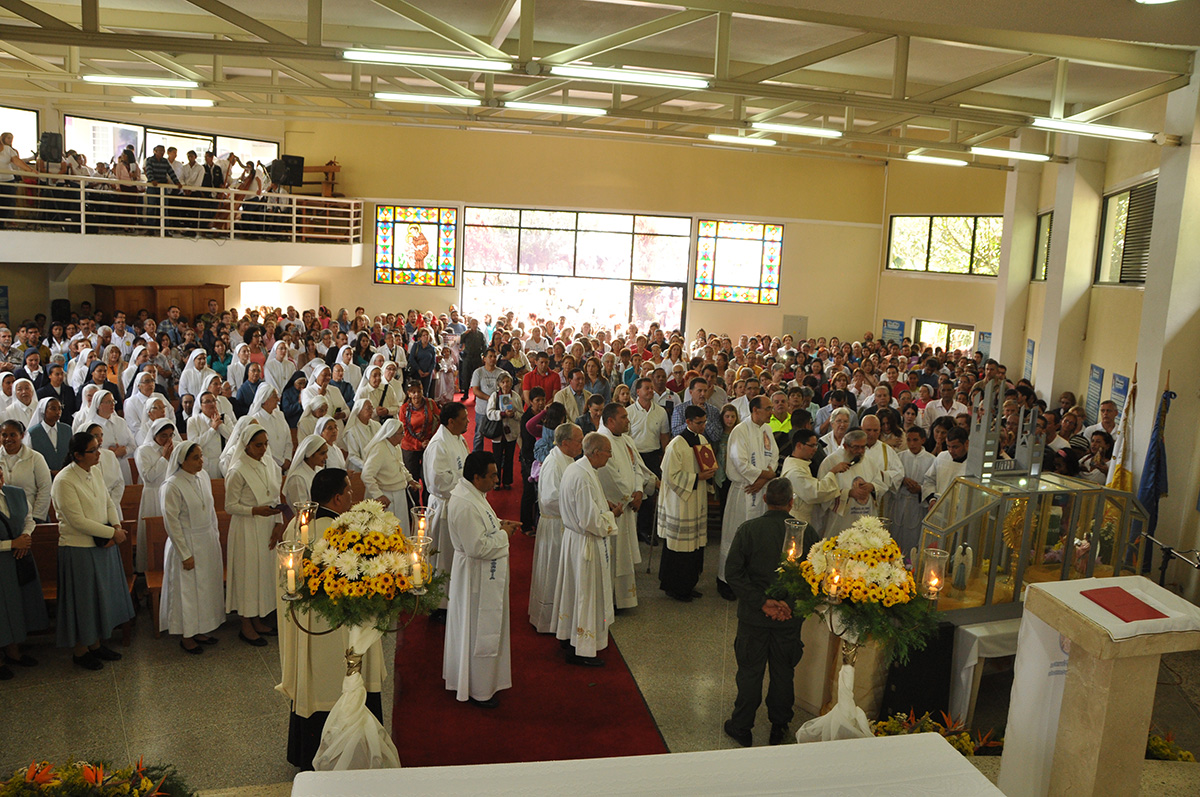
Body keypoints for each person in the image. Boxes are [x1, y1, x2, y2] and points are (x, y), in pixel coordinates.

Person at [277, 467, 386, 770]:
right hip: (346, 631)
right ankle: (356, 752)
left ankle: (308, 753)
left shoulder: (296, 529)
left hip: (311, 630)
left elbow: (286, 577)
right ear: (338, 497)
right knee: (348, 681)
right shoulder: (349, 534)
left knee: (317, 685)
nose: (354, 494)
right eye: (350, 489)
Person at [723, 478, 815, 747]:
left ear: (764, 499)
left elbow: (733, 573)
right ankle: (779, 726)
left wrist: (762, 602)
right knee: (783, 672)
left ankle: (741, 726)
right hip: (789, 619)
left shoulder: (749, 529)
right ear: (791, 502)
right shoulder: (807, 533)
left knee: (750, 672)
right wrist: (787, 604)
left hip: (754, 617)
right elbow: (815, 577)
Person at [52, 432, 135, 670]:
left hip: (103, 544)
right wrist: (112, 534)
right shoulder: (65, 480)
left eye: (98, 448)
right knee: (84, 602)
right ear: (78, 455)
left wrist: (116, 525)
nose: (99, 453)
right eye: (93, 450)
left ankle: (96, 644)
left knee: (101, 599)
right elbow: (76, 520)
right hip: (79, 549)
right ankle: (81, 650)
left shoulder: (95, 471)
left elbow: (108, 501)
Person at [444, 451, 519, 708]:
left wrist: (500, 523)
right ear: (476, 478)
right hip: (474, 577)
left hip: (481, 573)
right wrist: (504, 535)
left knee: (480, 627)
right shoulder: (464, 502)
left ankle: (485, 681)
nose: (497, 480)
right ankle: (476, 687)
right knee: (476, 629)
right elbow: (476, 547)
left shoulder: (474, 494)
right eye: (492, 475)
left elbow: (484, 522)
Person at [553, 432, 619, 666]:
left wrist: (603, 505)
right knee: (585, 595)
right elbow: (590, 521)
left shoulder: (578, 468)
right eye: (609, 452)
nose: (610, 457)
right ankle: (582, 648)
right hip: (585, 544)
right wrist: (612, 515)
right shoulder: (582, 475)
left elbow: (588, 505)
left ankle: (569, 637)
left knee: (574, 592)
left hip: (575, 541)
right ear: (596, 452)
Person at [159, 440, 225, 654]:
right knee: (188, 591)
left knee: (205, 589)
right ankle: (187, 636)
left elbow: (211, 509)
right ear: (182, 460)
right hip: (186, 543)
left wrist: (214, 535)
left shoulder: (203, 477)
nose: (201, 461)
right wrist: (184, 554)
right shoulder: (172, 485)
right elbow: (172, 523)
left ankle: (201, 629)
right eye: (195, 458)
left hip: (205, 541)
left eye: (201, 456)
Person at [225, 425, 284, 646]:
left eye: (265, 444)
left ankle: (259, 619)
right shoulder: (237, 469)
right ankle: (246, 625)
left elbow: (275, 494)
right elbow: (229, 505)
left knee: (263, 575)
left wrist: (277, 522)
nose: (263, 449)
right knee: (248, 575)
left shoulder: (268, 463)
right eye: (258, 445)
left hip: (266, 525)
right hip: (246, 528)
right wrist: (254, 510)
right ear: (247, 445)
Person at [597, 402, 656, 610]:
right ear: (611, 420)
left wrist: (639, 491)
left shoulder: (626, 440)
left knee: (624, 556)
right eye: (623, 417)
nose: (628, 420)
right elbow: (609, 477)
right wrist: (630, 497)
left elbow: (637, 468)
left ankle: (624, 598)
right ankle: (610, 600)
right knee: (614, 555)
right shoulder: (601, 442)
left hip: (629, 505)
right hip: (615, 509)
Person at [718, 396, 778, 600]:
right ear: (755, 410)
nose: (772, 411)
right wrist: (762, 476)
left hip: (760, 489)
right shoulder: (740, 430)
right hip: (743, 491)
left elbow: (774, 457)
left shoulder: (766, 430)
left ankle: (752, 579)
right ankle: (727, 581)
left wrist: (763, 479)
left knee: (756, 539)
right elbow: (739, 462)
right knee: (736, 535)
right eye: (768, 408)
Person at [656, 405, 717, 602]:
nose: (703, 426)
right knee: (679, 547)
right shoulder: (676, 444)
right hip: (680, 501)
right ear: (688, 422)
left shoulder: (702, 440)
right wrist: (697, 477)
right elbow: (670, 475)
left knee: (694, 548)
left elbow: (707, 462)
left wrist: (709, 473)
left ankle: (689, 584)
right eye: (699, 423)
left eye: (704, 422)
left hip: (696, 498)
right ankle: (675, 587)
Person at [529, 422, 581, 633]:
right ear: (566, 442)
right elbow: (550, 498)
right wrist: (578, 505)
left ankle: (562, 618)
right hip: (555, 525)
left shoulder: (567, 459)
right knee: (553, 571)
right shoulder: (553, 463)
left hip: (563, 523)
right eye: (579, 440)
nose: (582, 444)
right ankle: (549, 620)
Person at [422, 401, 470, 620]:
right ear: (451, 422)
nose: (468, 421)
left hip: (457, 503)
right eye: (464, 418)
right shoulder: (439, 444)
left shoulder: (457, 439)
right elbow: (438, 481)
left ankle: (452, 599)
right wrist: (466, 481)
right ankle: (438, 605)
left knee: (452, 556)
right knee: (441, 558)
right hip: (444, 506)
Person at [0, 467, 48, 678]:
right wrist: (12, 543)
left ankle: (14, 651)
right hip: (3, 560)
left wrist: (25, 538)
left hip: (20, 559)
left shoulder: (16, 493)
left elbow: (28, 519)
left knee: (18, 605)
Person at [779, 428, 846, 530]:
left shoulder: (800, 464)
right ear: (799, 446)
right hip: (797, 520)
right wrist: (833, 472)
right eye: (812, 445)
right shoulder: (795, 472)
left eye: (816, 445)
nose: (815, 449)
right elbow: (816, 493)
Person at [359, 418, 417, 532]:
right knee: (388, 532)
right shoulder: (379, 449)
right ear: (391, 434)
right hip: (386, 495)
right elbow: (366, 475)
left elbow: (400, 465)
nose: (403, 436)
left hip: (399, 494)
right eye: (401, 433)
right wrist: (378, 495)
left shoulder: (395, 446)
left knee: (401, 528)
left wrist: (410, 479)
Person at [133, 418, 175, 572]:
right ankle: (149, 570)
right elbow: (148, 476)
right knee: (152, 534)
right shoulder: (143, 450)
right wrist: (164, 457)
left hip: (169, 493)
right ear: (154, 435)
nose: (168, 439)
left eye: (171, 435)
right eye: (164, 435)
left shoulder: (174, 448)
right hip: (152, 494)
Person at [0, 419, 52, 523]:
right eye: (4, 435)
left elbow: (45, 488)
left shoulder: (35, 458)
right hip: (3, 519)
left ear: (22, 435)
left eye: (12, 435)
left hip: (30, 516)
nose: (8, 439)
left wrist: (36, 517)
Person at [893, 426, 935, 555]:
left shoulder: (932, 459)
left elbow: (933, 483)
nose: (912, 444)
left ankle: (912, 564)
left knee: (915, 535)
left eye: (915, 440)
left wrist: (920, 489)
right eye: (909, 440)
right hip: (900, 501)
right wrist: (903, 479)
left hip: (918, 504)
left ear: (923, 440)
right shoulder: (899, 457)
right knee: (896, 533)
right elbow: (893, 476)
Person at [485, 372, 523, 490]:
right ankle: (496, 481)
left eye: (508, 382)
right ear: (499, 384)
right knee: (496, 458)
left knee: (509, 457)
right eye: (503, 382)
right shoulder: (494, 396)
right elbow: (489, 413)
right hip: (498, 433)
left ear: (511, 383)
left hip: (511, 432)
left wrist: (513, 415)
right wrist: (502, 414)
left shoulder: (515, 396)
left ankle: (507, 481)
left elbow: (521, 414)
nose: (505, 384)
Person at [922, 426, 970, 505]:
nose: (951, 451)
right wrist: (932, 500)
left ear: (966, 443)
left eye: (955, 447)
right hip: (939, 507)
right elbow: (929, 480)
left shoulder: (973, 464)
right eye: (948, 446)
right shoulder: (942, 457)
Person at [469, 348, 503, 452]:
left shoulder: (501, 373)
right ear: (484, 359)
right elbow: (475, 390)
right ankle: (477, 456)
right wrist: (491, 399)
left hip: (498, 410)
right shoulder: (478, 372)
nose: (493, 359)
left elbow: (506, 389)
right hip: (482, 409)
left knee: (499, 436)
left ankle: (498, 458)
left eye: (494, 356)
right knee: (479, 434)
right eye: (490, 356)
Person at [26, 397, 70, 474]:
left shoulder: (67, 429)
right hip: (42, 476)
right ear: (44, 411)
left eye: (59, 409)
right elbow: (29, 458)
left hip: (66, 474)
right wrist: (50, 472)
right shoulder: (33, 433)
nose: (58, 412)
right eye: (53, 409)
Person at [283, 435, 327, 507]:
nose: (326, 457)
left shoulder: (319, 470)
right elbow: (302, 510)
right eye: (322, 453)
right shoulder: (297, 478)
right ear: (310, 454)